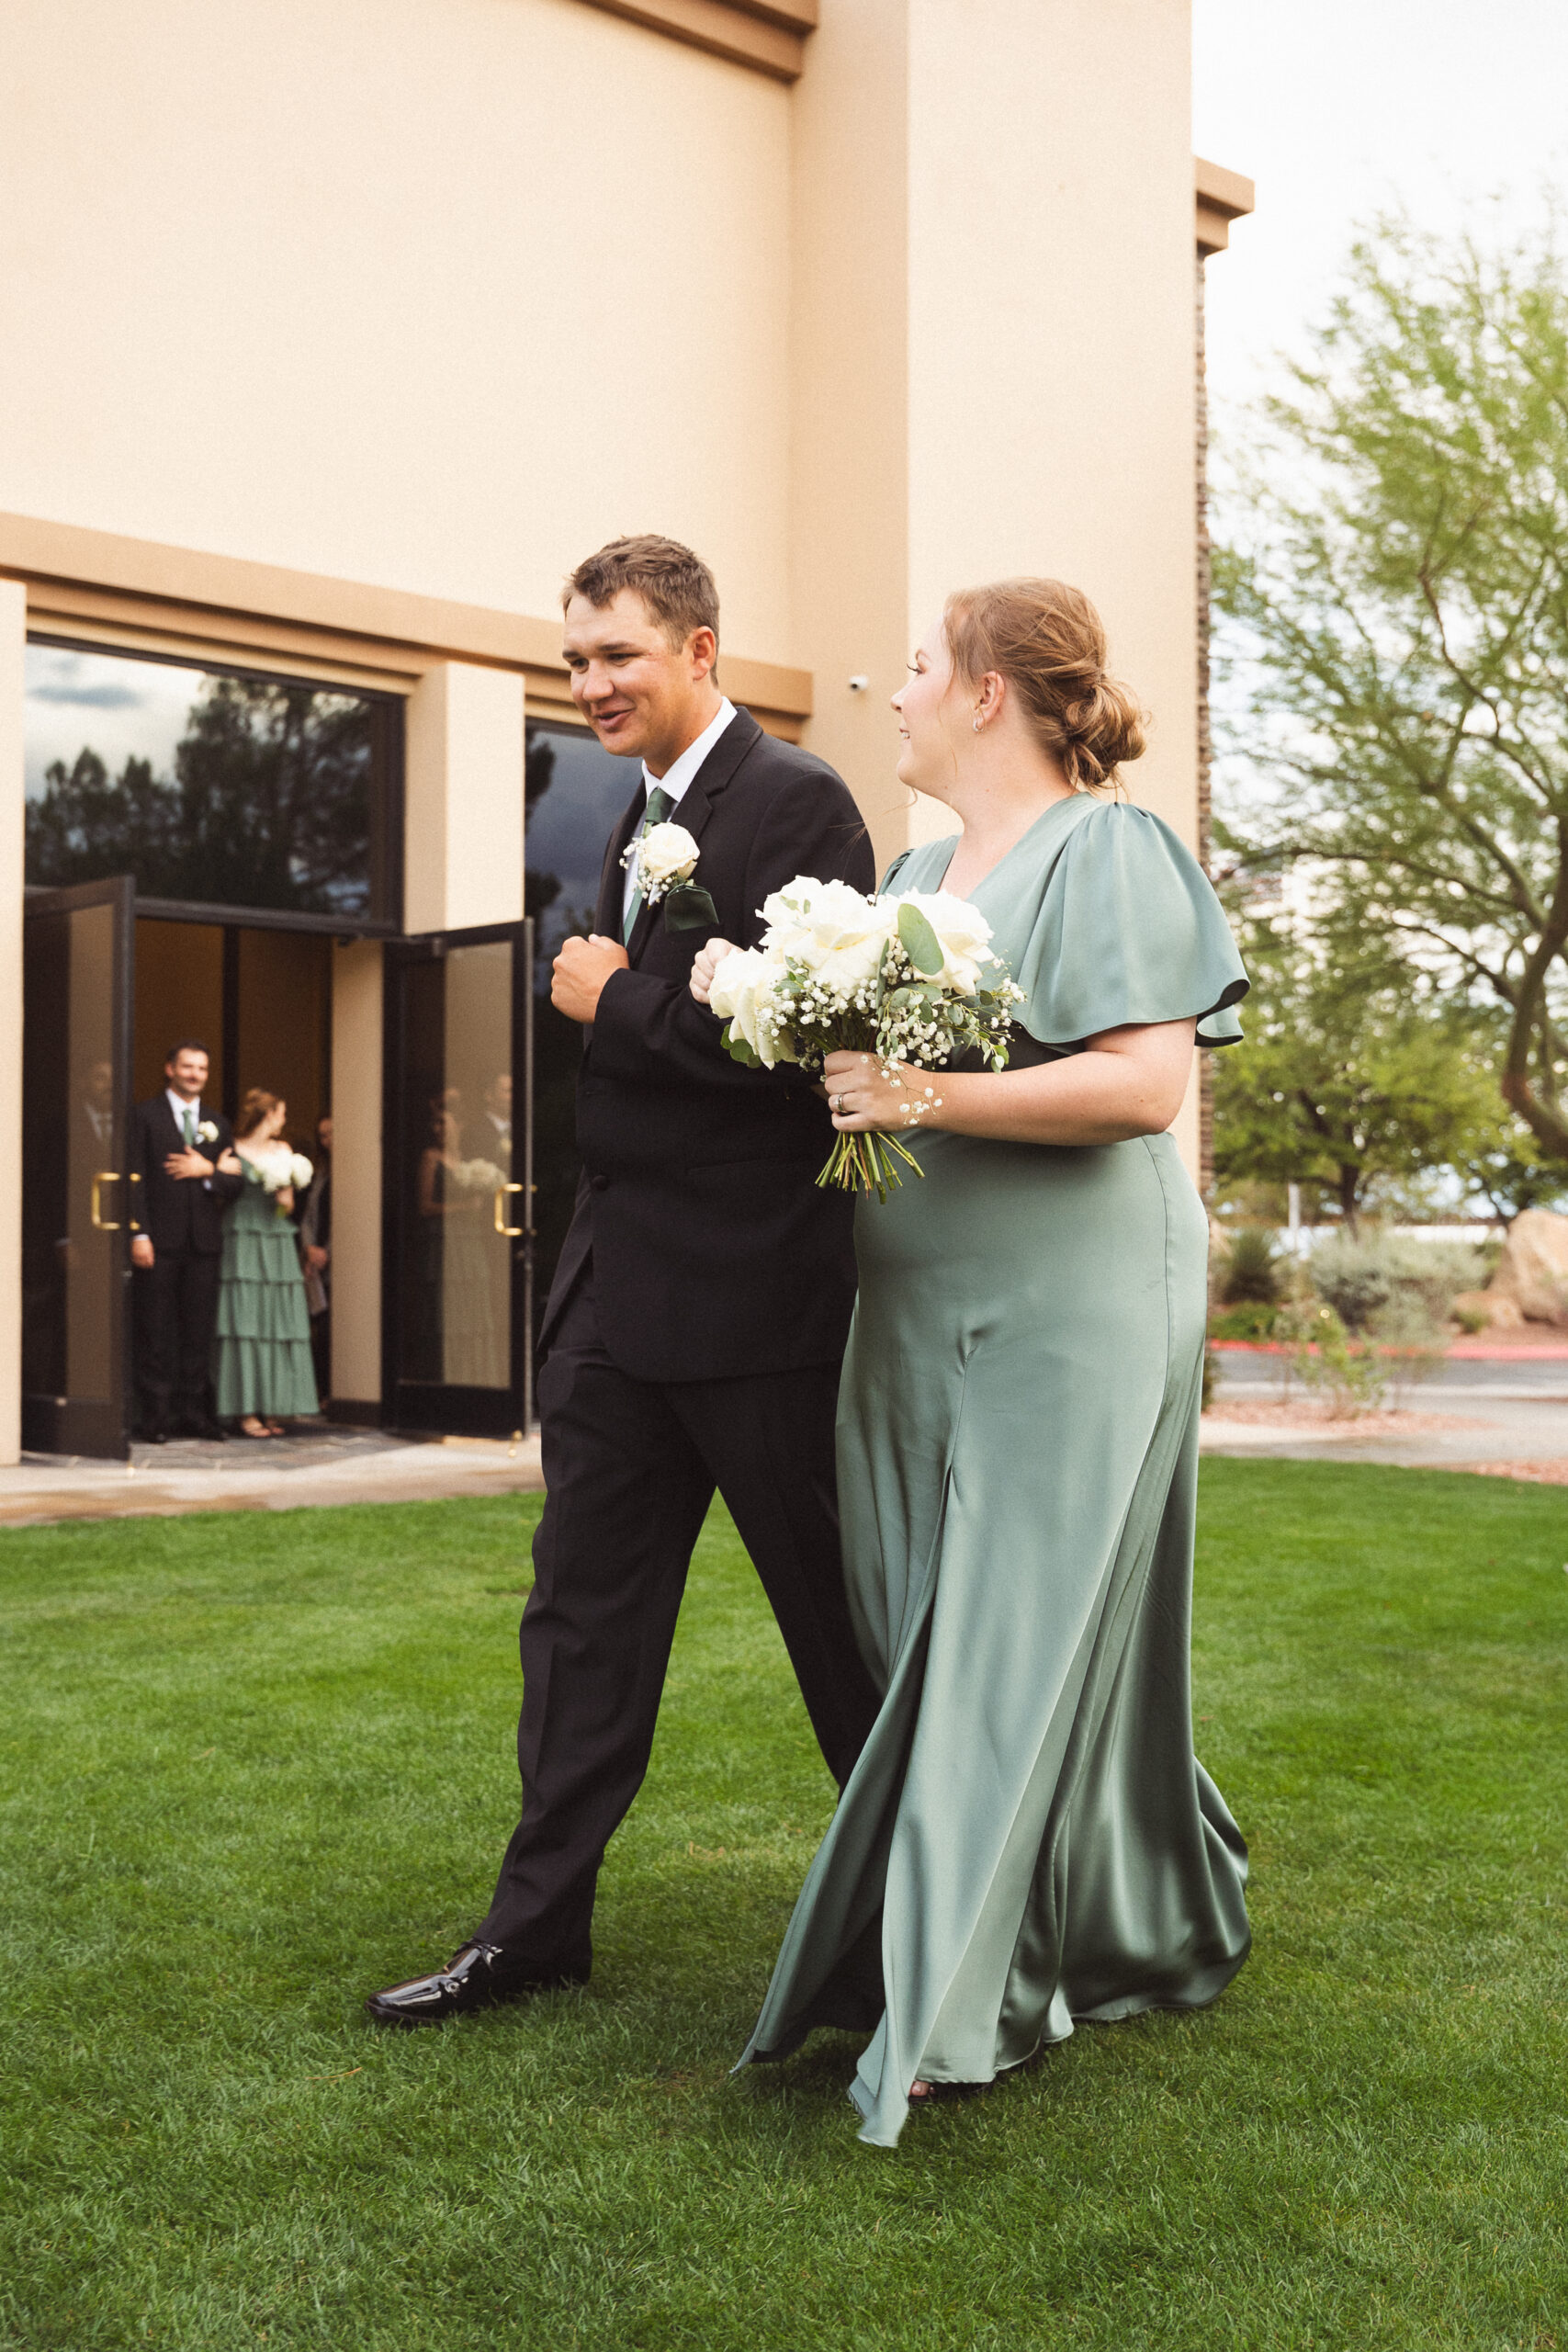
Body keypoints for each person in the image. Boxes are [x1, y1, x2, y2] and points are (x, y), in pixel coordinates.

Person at [703, 578, 1253, 2147]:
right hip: (908, 1300)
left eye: (917, 667)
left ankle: (958, 2004)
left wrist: (916, 1100)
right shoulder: (908, 876)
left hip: (1072, 1299)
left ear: (990, 692)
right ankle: (1136, 1897)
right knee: (912, 1623)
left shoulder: (1113, 849)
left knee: (1003, 1639)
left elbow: (1141, 1088)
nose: (893, 692)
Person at [367, 533, 882, 2026]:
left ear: (699, 651)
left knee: (835, 1635)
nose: (588, 682)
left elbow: (809, 1054)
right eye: (575, 658)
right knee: (578, 1626)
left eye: (616, 655)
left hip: (755, 1309)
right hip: (615, 1310)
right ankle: (533, 1933)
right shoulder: (630, 819)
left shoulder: (796, 802)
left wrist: (618, 999)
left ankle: (920, 1919)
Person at [128, 1041, 244, 1442]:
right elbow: (135, 1178)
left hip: (203, 1245)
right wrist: (139, 1232)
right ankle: (155, 1418)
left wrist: (206, 1169)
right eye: (188, 1066)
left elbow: (235, 1184)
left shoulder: (217, 1122)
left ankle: (193, 1415)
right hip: (158, 1242)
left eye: (202, 1068)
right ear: (170, 1069)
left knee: (197, 1334)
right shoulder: (144, 1115)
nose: (195, 1074)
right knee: (155, 1333)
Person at [213, 1090, 320, 1438]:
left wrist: (283, 1190)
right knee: (244, 1321)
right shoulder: (231, 1148)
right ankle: (244, 1411)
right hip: (241, 1235)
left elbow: (288, 1206)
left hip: (275, 1237)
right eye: (281, 1113)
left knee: (276, 1320)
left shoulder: (283, 1150)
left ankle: (274, 1405)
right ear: (269, 1114)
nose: (284, 1121)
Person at [298, 1113, 333, 1403]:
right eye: (322, 1135)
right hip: (315, 1260)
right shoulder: (320, 1174)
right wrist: (309, 1248)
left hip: (336, 1260)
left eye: (332, 1133)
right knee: (319, 1326)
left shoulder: (352, 1173)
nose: (328, 1140)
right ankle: (320, 1391)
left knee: (333, 1328)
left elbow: (347, 1218)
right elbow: (308, 1215)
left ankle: (333, 1390)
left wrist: (328, 1252)